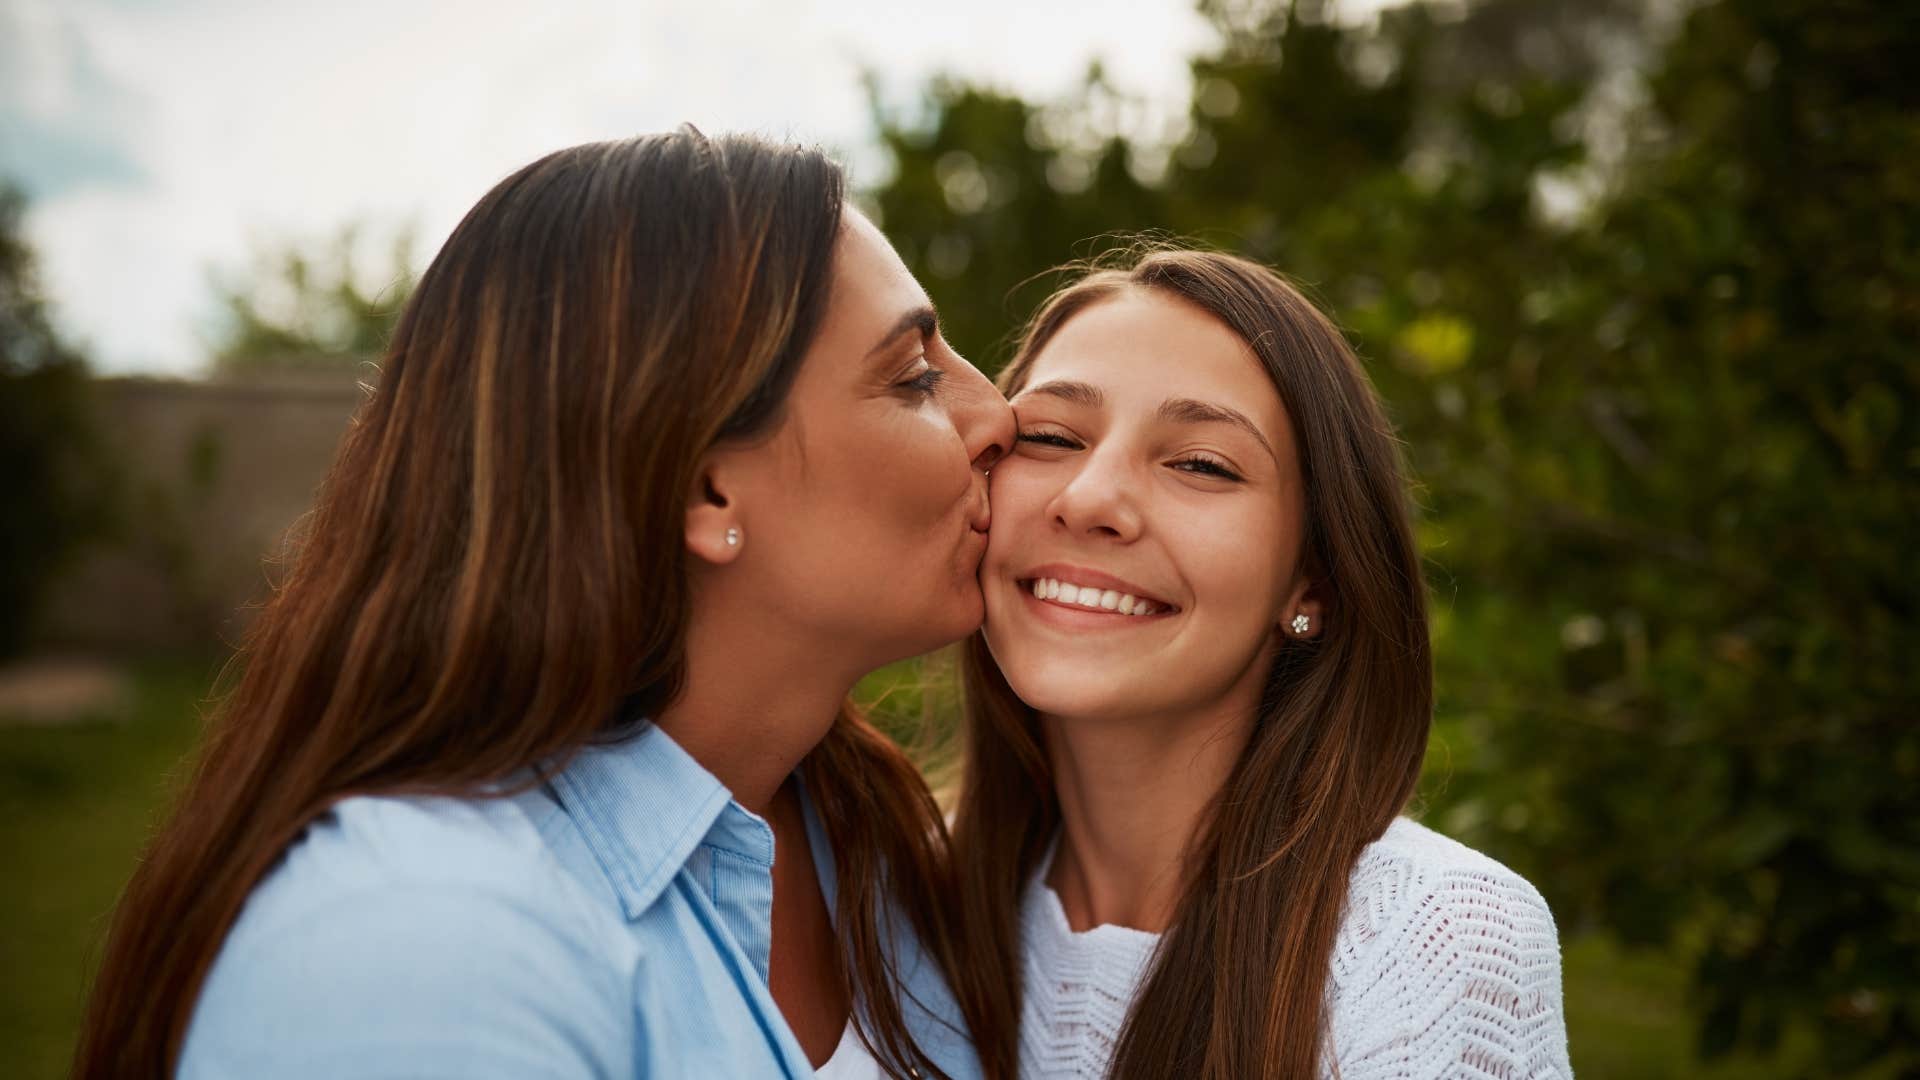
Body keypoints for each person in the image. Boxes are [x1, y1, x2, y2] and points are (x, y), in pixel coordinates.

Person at [73, 130, 1013, 1080]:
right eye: (914, 378)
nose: (997, 416)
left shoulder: (881, 846)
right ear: (707, 491)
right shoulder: (420, 950)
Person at [952, 248, 1572, 1079]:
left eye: (1201, 463)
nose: (1092, 497)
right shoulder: (895, 891)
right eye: (1053, 436)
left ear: (1311, 577)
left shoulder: (1429, 941)